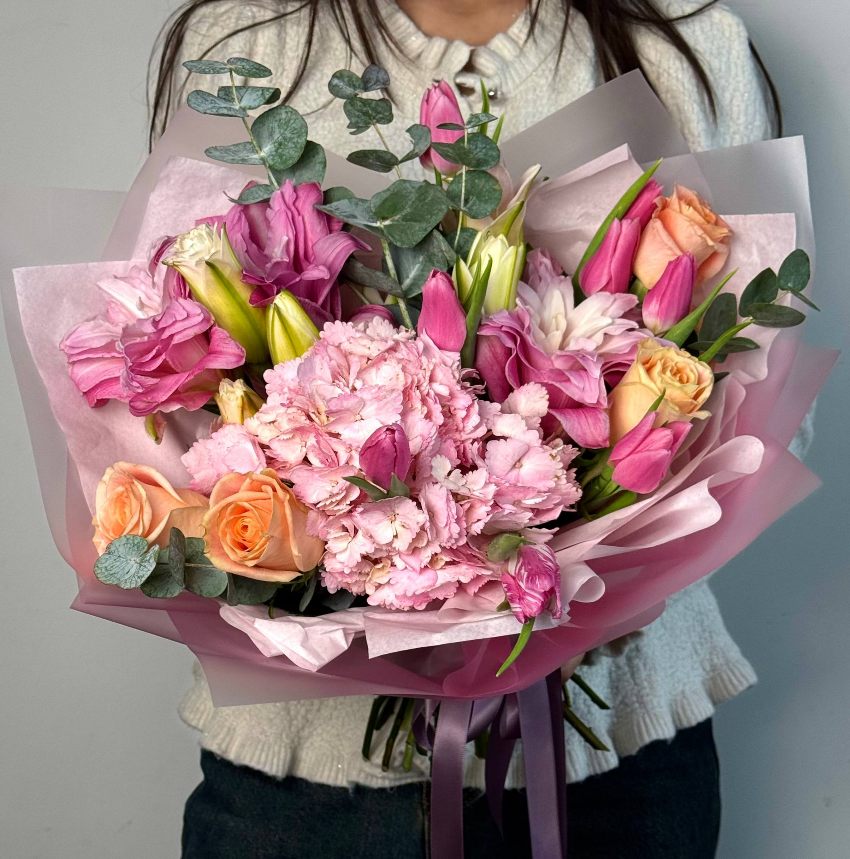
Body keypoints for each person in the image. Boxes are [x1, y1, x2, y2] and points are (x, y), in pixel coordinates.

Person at [148, 2, 800, 856]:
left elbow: (768, 407)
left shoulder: (688, 45)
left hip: (621, 767)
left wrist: (565, 583)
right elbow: (177, 384)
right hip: (301, 788)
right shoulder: (246, 45)